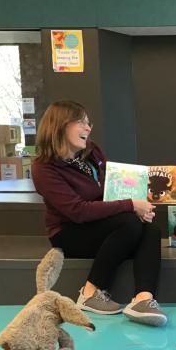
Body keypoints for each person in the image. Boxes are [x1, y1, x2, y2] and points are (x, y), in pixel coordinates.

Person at [31, 100, 166, 326]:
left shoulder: (92, 153)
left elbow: (110, 191)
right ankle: (91, 292)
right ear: (60, 125)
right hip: (69, 232)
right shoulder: (43, 168)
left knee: (151, 229)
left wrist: (137, 201)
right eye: (81, 122)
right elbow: (77, 211)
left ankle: (144, 298)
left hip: (102, 224)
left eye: (88, 123)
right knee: (129, 223)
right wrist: (131, 204)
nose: (88, 128)